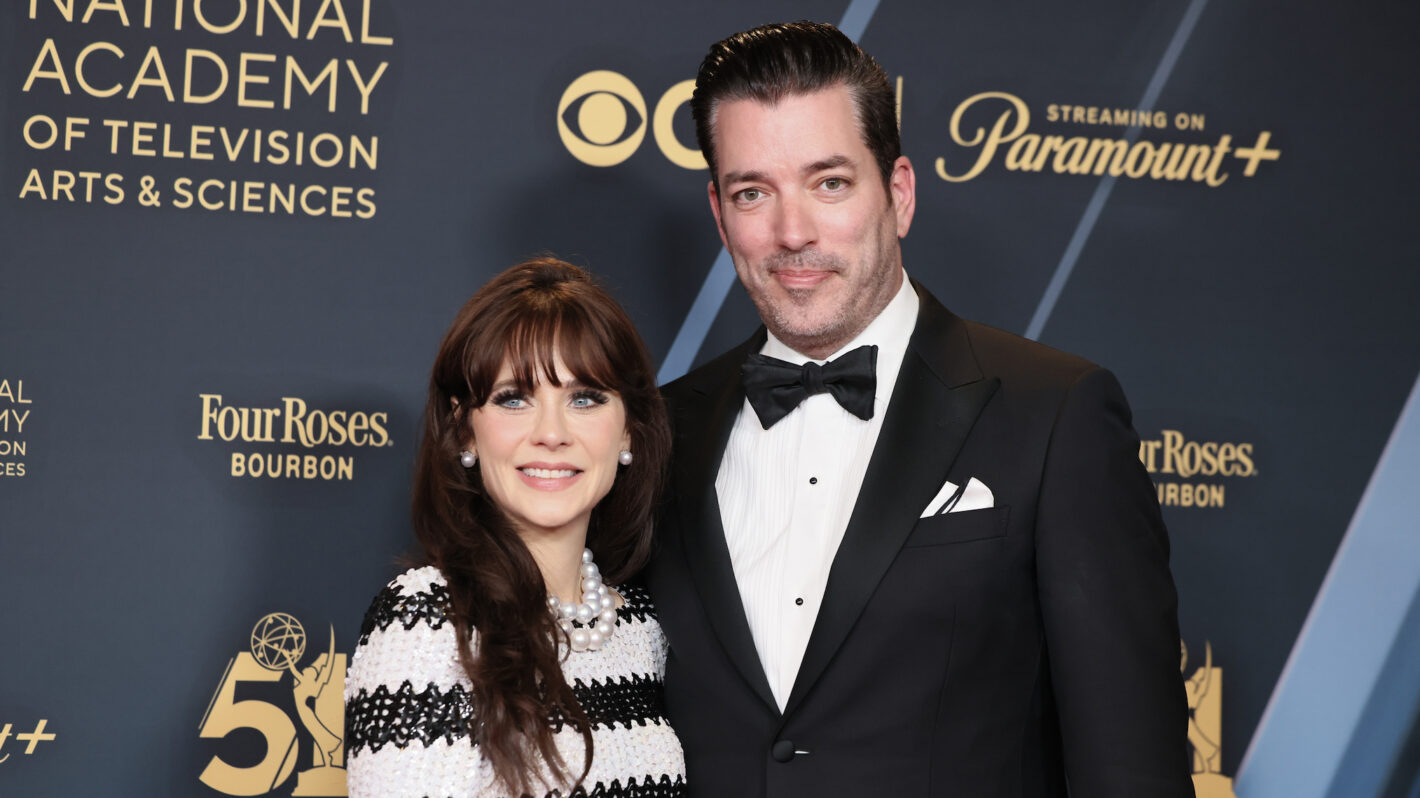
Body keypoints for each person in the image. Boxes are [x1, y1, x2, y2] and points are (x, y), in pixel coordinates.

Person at [646, 21, 1195, 797]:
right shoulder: (655, 433)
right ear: (718, 213)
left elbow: (1130, 764)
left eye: (829, 182)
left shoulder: (1053, 414)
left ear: (898, 194)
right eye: (752, 193)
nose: (792, 232)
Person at [345, 259, 686, 797]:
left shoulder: (643, 628)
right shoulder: (429, 621)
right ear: (464, 433)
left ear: (629, 434)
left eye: (584, 397)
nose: (551, 433)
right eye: (513, 398)